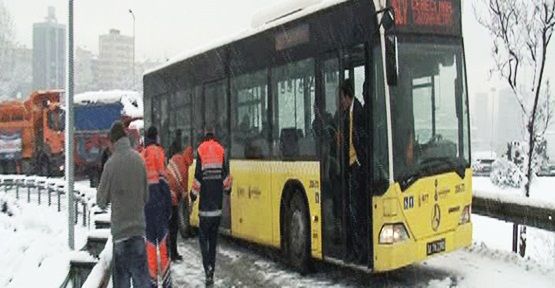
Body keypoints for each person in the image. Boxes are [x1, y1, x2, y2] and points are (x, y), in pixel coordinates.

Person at [97, 121, 150, 288]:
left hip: (120, 236)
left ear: (113, 142)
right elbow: (146, 196)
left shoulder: (110, 165)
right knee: (142, 282)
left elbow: (100, 201)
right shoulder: (139, 160)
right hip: (138, 234)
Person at [190, 127, 232, 286]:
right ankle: (211, 271)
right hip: (217, 206)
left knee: (203, 238)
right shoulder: (221, 150)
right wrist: (228, 190)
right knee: (213, 241)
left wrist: (193, 196)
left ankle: (206, 265)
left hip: (205, 206)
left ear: (205, 137)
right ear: (214, 137)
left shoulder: (201, 150)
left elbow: (198, 178)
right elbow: (226, 177)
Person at [339, 79, 368, 264]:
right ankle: (353, 250)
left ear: (347, 96)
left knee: (356, 212)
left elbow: (362, 139)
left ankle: (360, 252)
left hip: (357, 168)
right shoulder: (346, 114)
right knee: (350, 211)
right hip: (349, 169)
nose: (340, 102)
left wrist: (359, 162)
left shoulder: (358, 111)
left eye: (341, 98)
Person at [141, 126, 172, 288]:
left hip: (146, 208)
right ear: (156, 137)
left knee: (150, 248)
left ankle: (152, 283)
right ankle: (167, 284)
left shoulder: (141, 155)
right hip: (159, 205)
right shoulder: (159, 153)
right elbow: (164, 183)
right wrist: (169, 207)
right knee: (163, 248)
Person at [165, 146, 194, 262]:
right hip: (172, 198)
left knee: (169, 227)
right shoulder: (184, 167)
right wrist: (187, 204)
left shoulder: (176, 158)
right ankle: (172, 253)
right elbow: (184, 190)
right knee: (173, 227)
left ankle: (169, 252)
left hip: (165, 194)